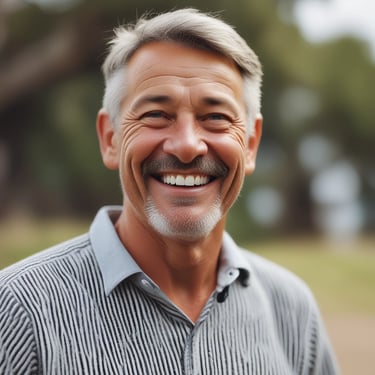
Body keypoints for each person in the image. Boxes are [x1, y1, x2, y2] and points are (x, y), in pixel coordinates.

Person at [0, 8, 340, 375]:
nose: (187, 146)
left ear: (250, 144)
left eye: (216, 118)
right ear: (110, 139)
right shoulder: (20, 312)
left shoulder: (292, 312)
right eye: (156, 115)